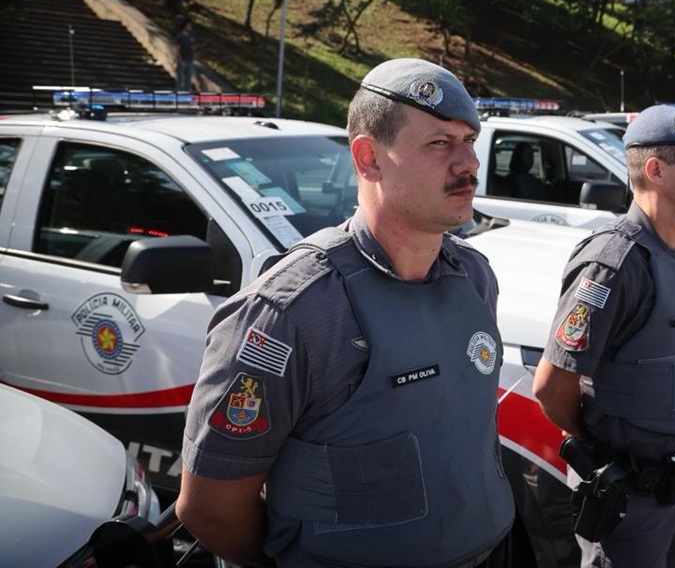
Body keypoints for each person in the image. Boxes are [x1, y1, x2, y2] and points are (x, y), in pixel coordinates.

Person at [176, 59, 514, 568]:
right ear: (369, 158)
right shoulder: (293, 311)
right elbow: (211, 509)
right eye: (439, 143)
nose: (467, 162)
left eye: (469, 140)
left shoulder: (473, 276)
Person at [532, 105, 675, 568]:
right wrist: (605, 451)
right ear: (656, 171)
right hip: (632, 501)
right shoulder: (614, 263)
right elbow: (552, 386)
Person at [176, 19, 196, 91]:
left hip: (190, 60)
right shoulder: (180, 36)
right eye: (188, 26)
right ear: (185, 27)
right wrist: (180, 60)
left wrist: (193, 49)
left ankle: (186, 94)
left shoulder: (191, 37)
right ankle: (179, 95)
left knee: (188, 80)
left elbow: (193, 47)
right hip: (183, 60)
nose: (190, 27)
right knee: (181, 79)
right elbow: (177, 49)